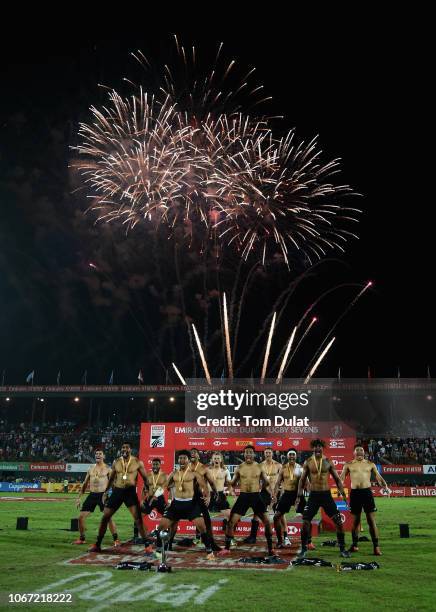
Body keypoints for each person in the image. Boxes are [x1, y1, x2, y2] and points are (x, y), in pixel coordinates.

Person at [89, 443, 150, 553]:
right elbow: (111, 479)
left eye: (127, 447)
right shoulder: (116, 462)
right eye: (122, 448)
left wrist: (148, 492)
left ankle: (147, 546)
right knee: (105, 517)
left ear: (130, 449)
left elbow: (146, 479)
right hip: (117, 491)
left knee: (138, 519)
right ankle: (97, 544)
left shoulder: (137, 462)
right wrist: (106, 492)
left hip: (130, 492)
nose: (124, 449)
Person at [295, 439, 350, 559]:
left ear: (322, 448)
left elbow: (337, 479)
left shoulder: (328, 461)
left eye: (319, 446)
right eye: (315, 447)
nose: (317, 449)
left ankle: (342, 549)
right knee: (305, 522)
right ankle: (304, 549)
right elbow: (302, 480)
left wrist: (343, 496)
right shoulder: (308, 462)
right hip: (313, 496)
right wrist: (299, 496)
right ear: (313, 449)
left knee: (338, 522)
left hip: (326, 495)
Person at [155, 450, 214, 558]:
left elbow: (204, 486)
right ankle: (159, 551)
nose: (181, 460)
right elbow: (164, 486)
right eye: (180, 458)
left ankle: (209, 551)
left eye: (184, 458)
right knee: (161, 527)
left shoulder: (194, 473)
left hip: (190, 505)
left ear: (188, 460)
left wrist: (208, 496)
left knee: (202, 527)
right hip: (176, 504)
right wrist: (156, 494)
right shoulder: (174, 473)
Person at [218, 445, 274, 557]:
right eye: (246, 452)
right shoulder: (239, 467)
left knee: (267, 522)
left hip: (256, 497)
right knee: (231, 523)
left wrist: (271, 493)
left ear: (254, 454)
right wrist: (223, 478)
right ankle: (227, 548)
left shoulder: (259, 467)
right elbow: (232, 483)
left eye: (250, 452)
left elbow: (266, 482)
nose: (248, 454)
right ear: (244, 454)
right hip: (243, 497)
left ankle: (271, 548)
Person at [340, 444, 389, 555]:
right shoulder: (348, 464)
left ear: (364, 453)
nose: (359, 452)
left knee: (371, 521)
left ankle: (376, 547)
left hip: (367, 493)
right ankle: (354, 545)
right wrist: (340, 487)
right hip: (355, 494)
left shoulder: (370, 464)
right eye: (357, 450)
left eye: (361, 450)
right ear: (354, 453)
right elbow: (341, 478)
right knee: (356, 521)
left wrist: (385, 486)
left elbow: (378, 477)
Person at [73, 450, 120, 546]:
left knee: (108, 518)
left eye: (100, 454)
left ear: (104, 456)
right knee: (80, 517)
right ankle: (82, 539)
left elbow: (114, 484)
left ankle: (116, 540)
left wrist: (113, 497)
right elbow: (85, 484)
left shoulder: (108, 469)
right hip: (92, 495)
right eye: (96, 454)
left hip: (103, 495)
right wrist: (78, 498)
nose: (98, 455)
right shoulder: (90, 468)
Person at [244, 448, 281, 544]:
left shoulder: (278, 465)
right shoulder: (260, 466)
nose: (268, 454)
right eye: (266, 453)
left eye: (269, 452)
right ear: (264, 454)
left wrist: (276, 493)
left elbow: (282, 480)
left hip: (276, 492)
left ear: (272, 453)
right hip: (264, 492)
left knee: (280, 515)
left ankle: (282, 538)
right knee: (256, 513)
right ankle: (253, 537)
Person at [190, 448, 221, 551]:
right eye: (191, 453)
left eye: (195, 452)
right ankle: (169, 542)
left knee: (207, 521)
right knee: (174, 517)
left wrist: (214, 493)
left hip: (199, 497)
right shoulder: (185, 467)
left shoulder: (203, 468)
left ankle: (211, 543)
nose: (193, 454)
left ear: (199, 456)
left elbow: (211, 483)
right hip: (187, 497)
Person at [273, 449, 305, 548]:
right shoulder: (283, 468)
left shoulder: (300, 468)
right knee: (276, 517)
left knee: (307, 517)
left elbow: (305, 483)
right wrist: (274, 495)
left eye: (293, 455)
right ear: (287, 456)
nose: (291, 456)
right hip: (287, 494)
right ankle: (279, 541)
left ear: (296, 457)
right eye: (290, 455)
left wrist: (300, 496)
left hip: (298, 494)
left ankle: (308, 541)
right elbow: (278, 482)